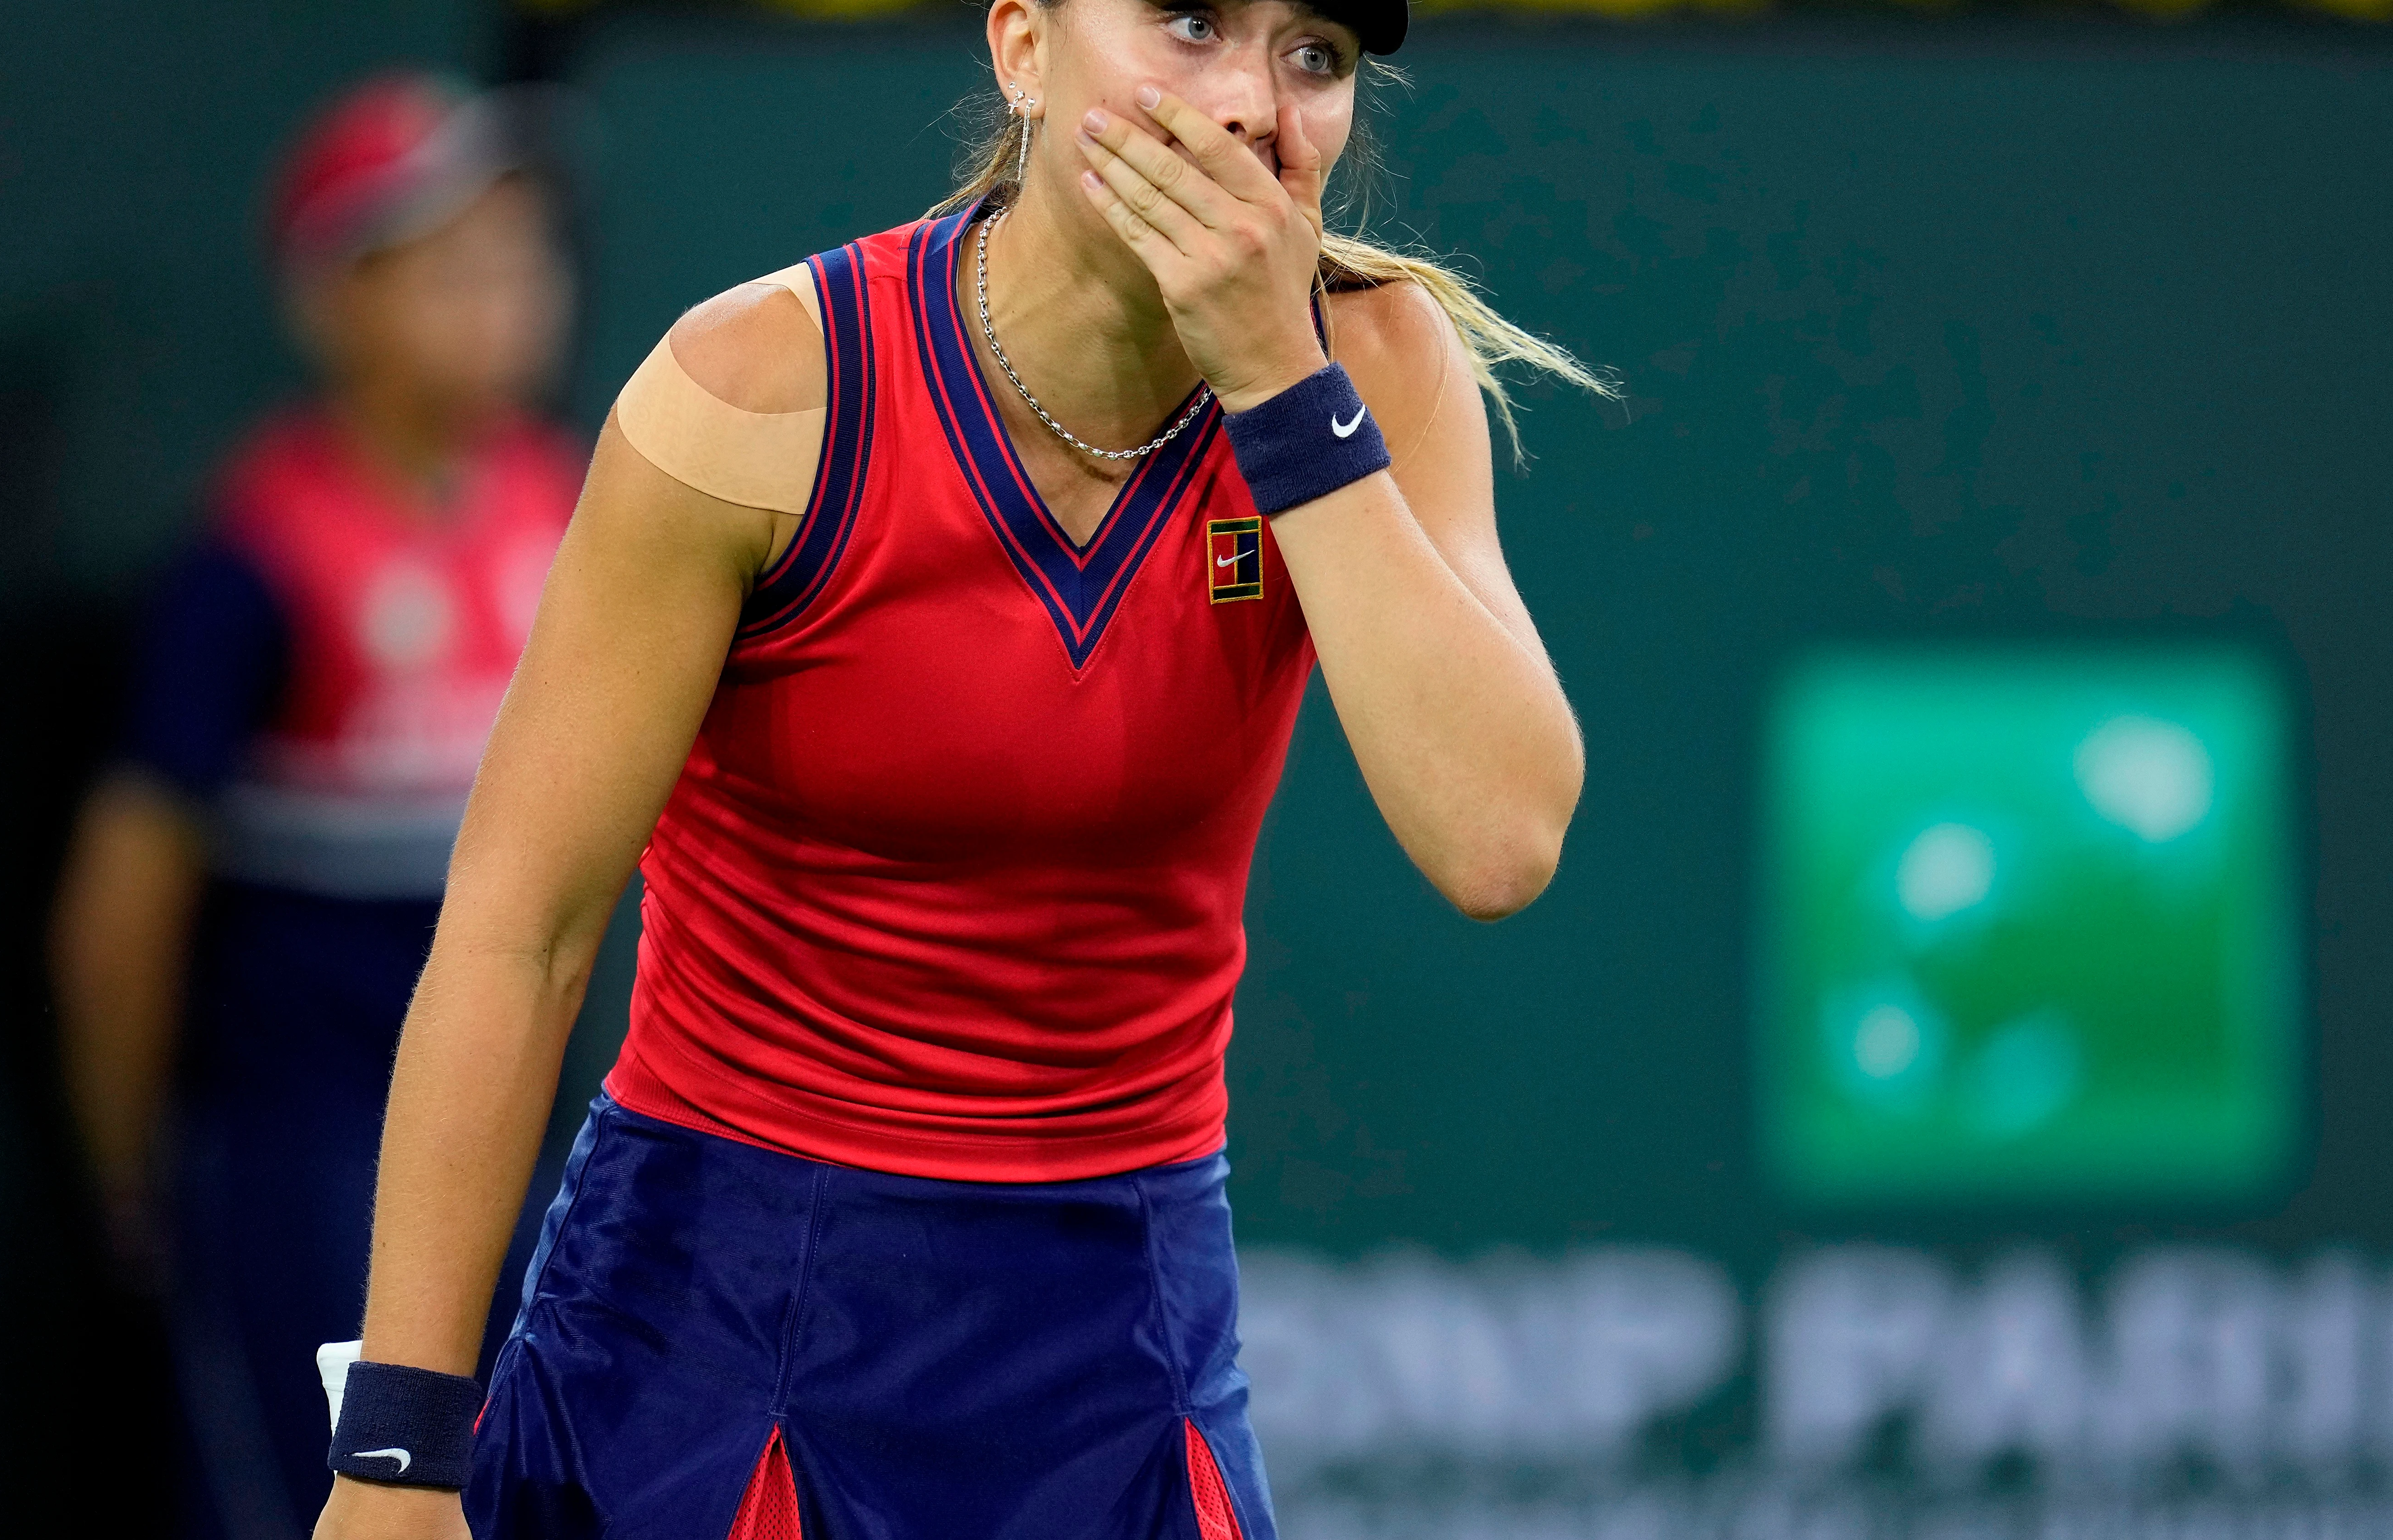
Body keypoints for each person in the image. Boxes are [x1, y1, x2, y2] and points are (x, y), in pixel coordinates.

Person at [314, 4, 1603, 1537]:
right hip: (717, 1321)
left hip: (1125, 1334)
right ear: (1023, 50)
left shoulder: (1368, 368)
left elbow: (1500, 841)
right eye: (1189, 24)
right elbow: (519, 928)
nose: (1254, 105)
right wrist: (396, 1447)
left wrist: (1278, 386)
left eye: (1312, 54)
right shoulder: (758, 389)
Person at [47, 73, 581, 1539]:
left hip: (546, 1162)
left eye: (521, 255)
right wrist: (134, 1173)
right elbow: (128, 890)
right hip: (307, 1168)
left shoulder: (576, 506)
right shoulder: (260, 552)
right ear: (334, 299)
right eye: (451, 263)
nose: (505, 295)